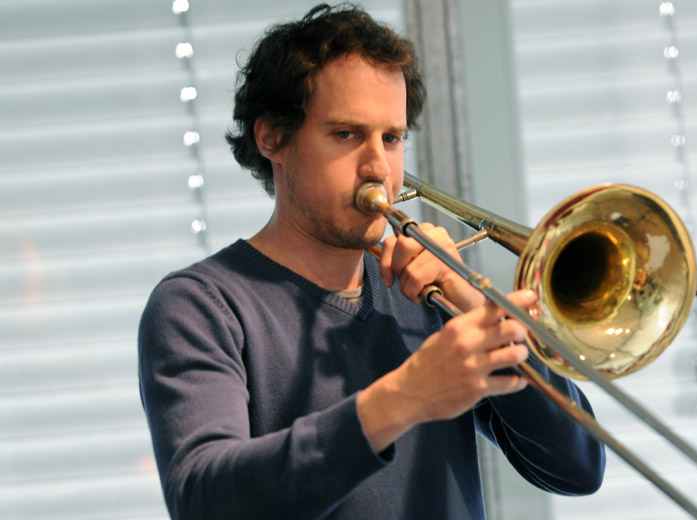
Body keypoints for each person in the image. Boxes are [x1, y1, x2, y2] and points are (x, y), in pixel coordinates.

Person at [138, 3, 605, 519]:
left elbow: (578, 468)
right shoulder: (199, 306)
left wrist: (474, 307)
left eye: (392, 138)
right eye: (347, 134)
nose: (379, 167)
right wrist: (406, 395)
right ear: (271, 136)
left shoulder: (427, 294)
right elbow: (203, 500)